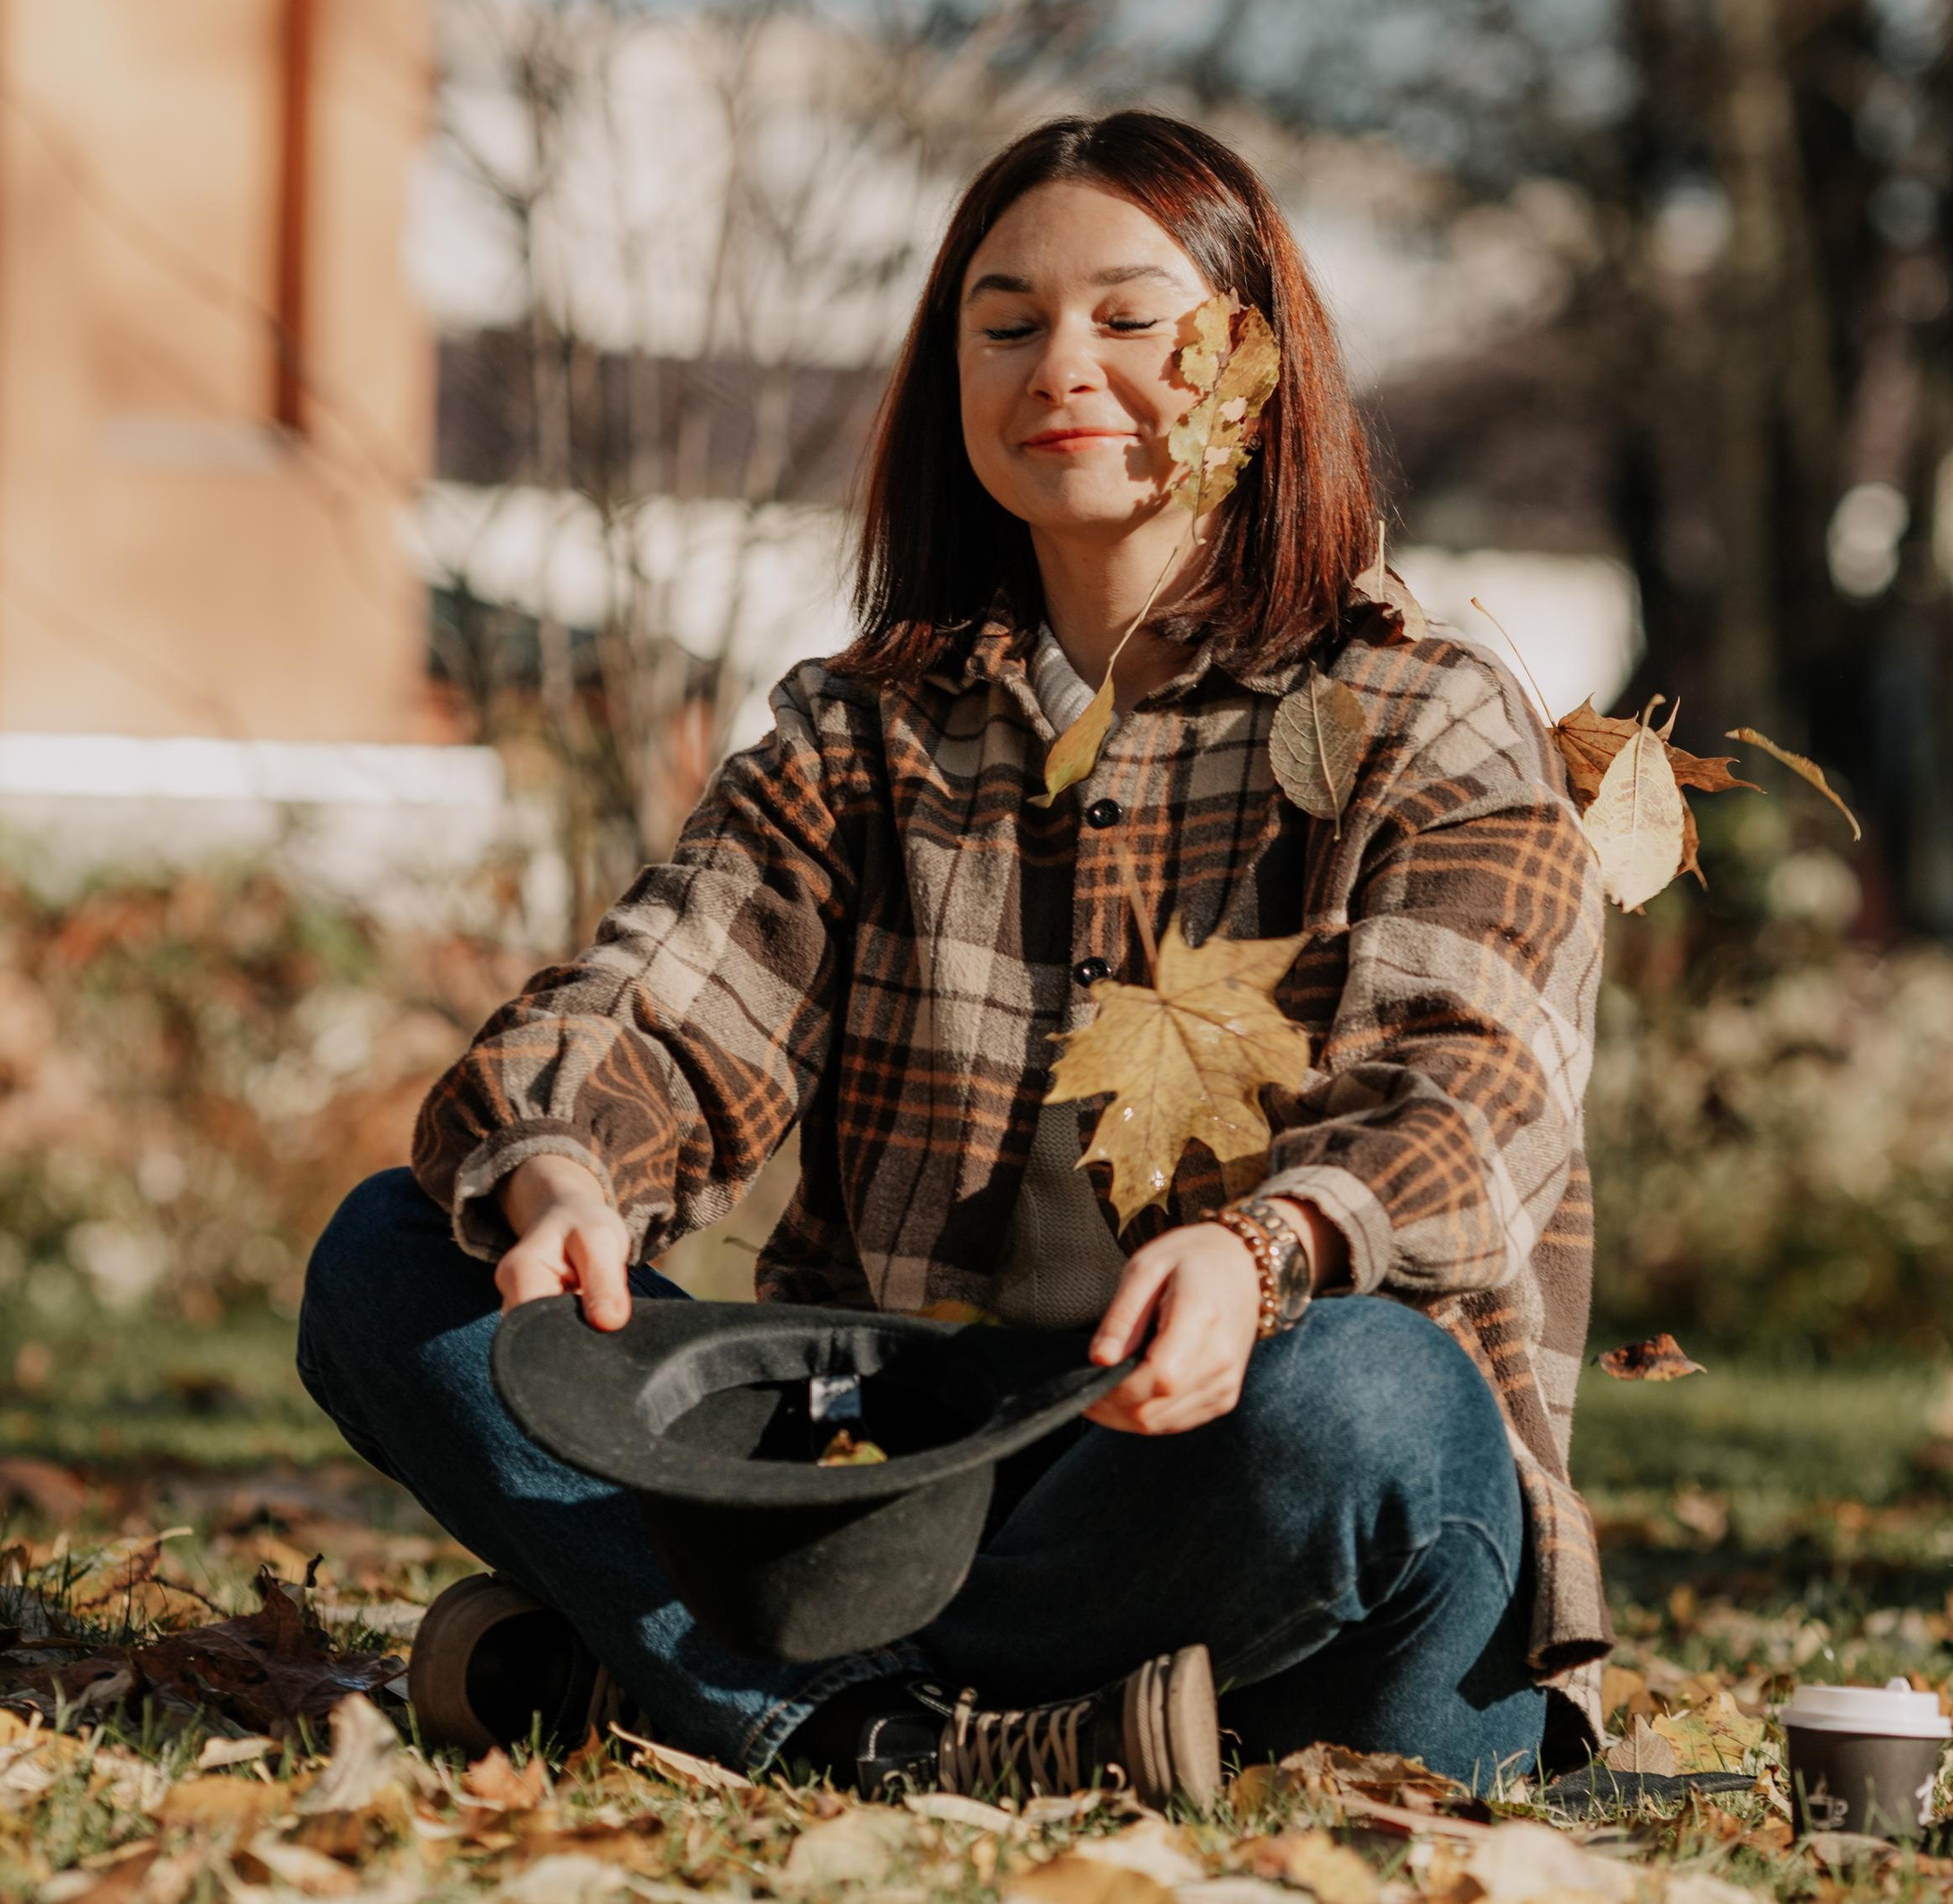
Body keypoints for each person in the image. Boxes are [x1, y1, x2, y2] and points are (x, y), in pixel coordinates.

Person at [298, 111, 1609, 1803]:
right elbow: (663, 1001)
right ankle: (904, 1735)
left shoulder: (1419, 713)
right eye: (1007, 323)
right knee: (401, 1252)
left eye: (1133, 319)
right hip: (898, 1473)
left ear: (1258, 371)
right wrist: (566, 1176)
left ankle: (714, 1681)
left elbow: (1470, 1076)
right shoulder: (866, 732)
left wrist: (1272, 1252)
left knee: (1372, 1403)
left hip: (1246, 1489)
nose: (1064, 363)